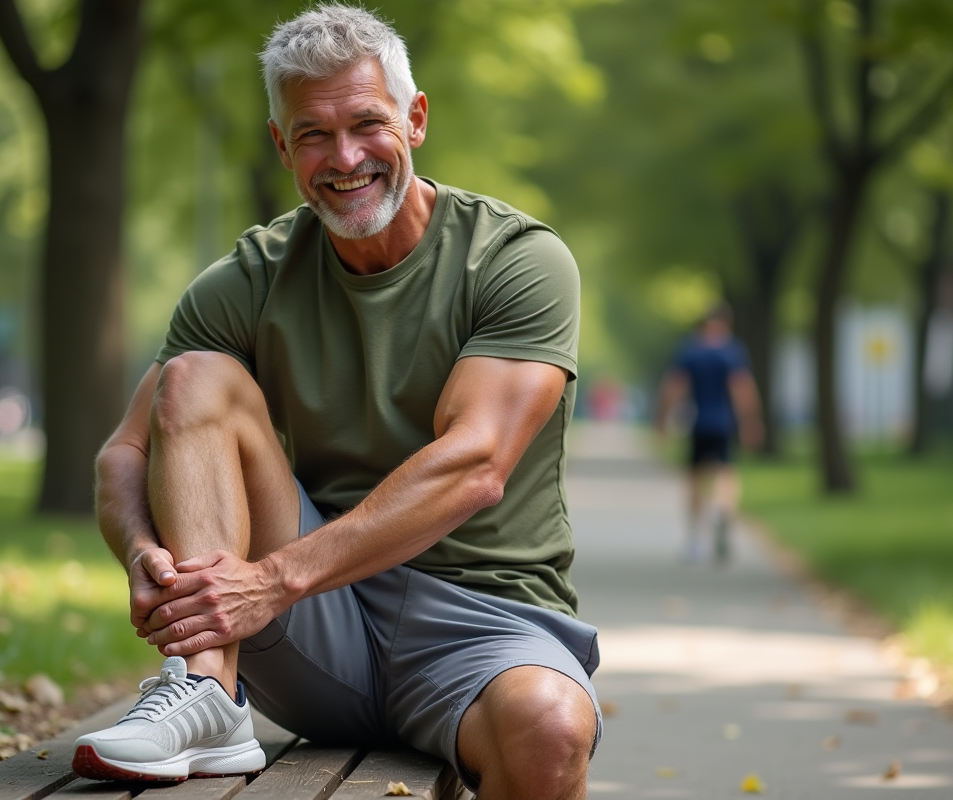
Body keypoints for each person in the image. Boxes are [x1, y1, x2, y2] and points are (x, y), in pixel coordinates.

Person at [74, 6, 600, 799]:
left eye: (366, 123)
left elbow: (476, 465)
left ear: (415, 119)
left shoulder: (516, 261)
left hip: (481, 621)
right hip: (317, 624)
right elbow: (126, 449)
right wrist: (145, 552)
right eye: (313, 134)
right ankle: (208, 692)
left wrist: (274, 578)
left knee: (552, 732)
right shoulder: (250, 277)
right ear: (282, 145)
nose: (345, 157)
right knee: (195, 377)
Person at [655, 302, 764, 563]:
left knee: (695, 477)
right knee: (725, 472)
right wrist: (751, 420)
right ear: (727, 323)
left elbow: (675, 385)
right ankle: (723, 512)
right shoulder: (732, 351)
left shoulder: (691, 350)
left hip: (699, 422)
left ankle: (694, 539)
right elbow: (741, 387)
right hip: (724, 423)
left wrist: (662, 418)